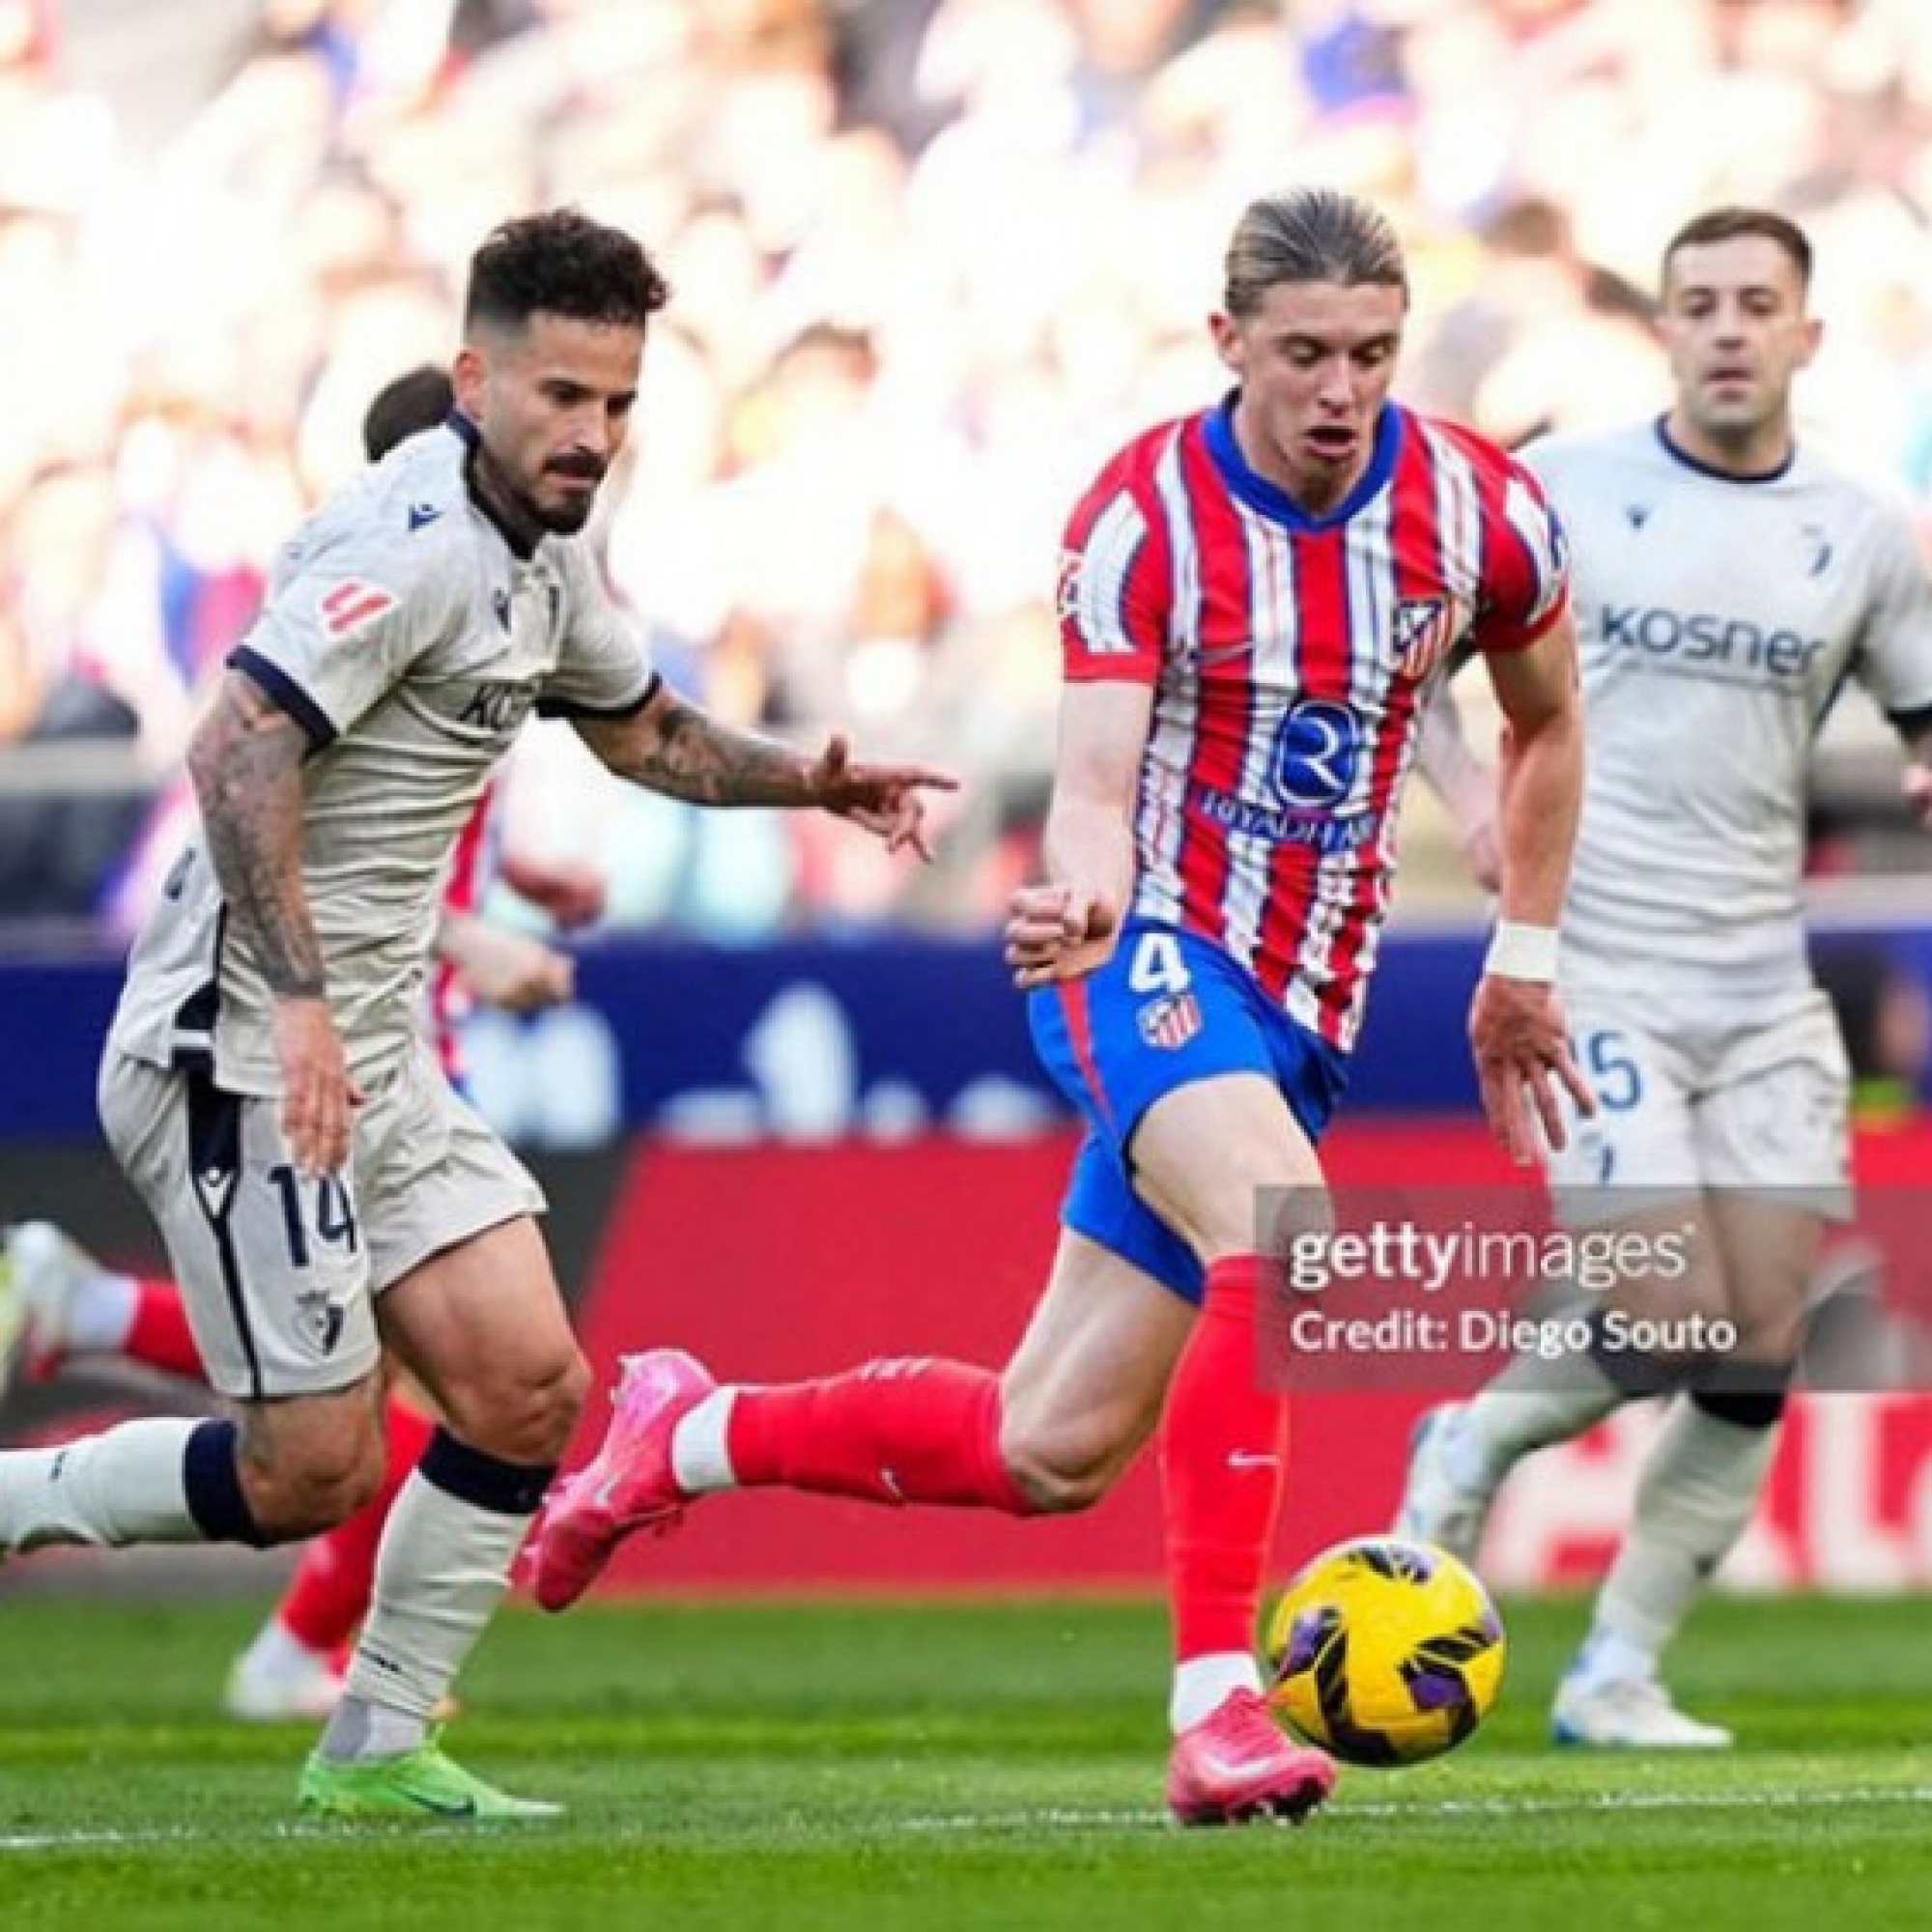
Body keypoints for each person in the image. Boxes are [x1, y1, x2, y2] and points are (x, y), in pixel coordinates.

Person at [527, 185, 1589, 1826]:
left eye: (1372, 355)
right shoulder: (1144, 515)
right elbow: (1094, 780)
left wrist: (1521, 959)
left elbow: (1543, 724)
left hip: (1298, 1004)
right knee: (1285, 1225)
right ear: (1225, 342)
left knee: (1048, 1449)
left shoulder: (1479, 510)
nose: (1340, 391)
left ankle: (687, 1436)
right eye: (1304, 353)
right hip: (1134, 952)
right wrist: (1088, 886)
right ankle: (1218, 1708)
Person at [0, 208, 951, 1821]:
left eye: (618, 403)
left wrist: (811, 782)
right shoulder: (413, 537)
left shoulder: (549, 546)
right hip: (237, 1050)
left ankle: (378, 1741)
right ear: (475, 378)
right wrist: (296, 1009)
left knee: (528, 1386)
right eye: (562, 395)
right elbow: (235, 752)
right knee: (316, 1469)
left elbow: (639, 729)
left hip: (371, 1048)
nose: (591, 433)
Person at [1397, 207, 1932, 1747]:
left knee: (1759, 1349)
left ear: (1806, 336)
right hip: (1595, 964)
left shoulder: (1863, 529)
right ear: (1668, 326)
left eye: (1757, 303)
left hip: (1762, 983)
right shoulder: (1565, 488)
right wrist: (1476, 811)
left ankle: (1616, 1670)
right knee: (1673, 1308)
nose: (1726, 327)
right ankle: (1477, 1437)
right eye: (1698, 301)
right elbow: (1414, 672)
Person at [0, 361, 602, 1725]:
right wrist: (476, 944)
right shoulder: (399, 591)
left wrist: (524, 889)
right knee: (335, 1436)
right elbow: (281, 840)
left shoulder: (501, 601)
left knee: (456, 1392)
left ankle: (350, 1694)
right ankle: (295, 1655)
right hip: (305, 1047)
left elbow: (405, 841)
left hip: (390, 1055)